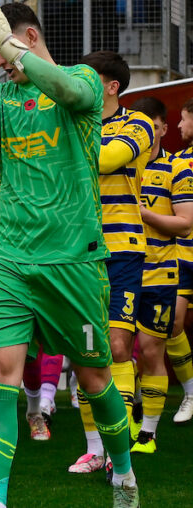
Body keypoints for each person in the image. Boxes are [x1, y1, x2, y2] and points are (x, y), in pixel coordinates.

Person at [0, 2, 139, 506]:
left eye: (5, 48)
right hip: (10, 259)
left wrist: (9, 46)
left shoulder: (84, 79)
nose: (2, 62)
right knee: (0, 372)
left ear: (28, 36)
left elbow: (68, 91)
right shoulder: (2, 93)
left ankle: (123, 472)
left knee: (96, 375)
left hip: (73, 260)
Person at [68, 50, 153, 475]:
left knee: (117, 346)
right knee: (87, 350)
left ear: (111, 86)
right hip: (76, 251)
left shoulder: (137, 124)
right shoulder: (69, 120)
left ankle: (120, 449)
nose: (77, 84)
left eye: (87, 77)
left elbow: (101, 160)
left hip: (122, 248)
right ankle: (94, 448)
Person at [130, 96, 193, 452]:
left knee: (152, 349)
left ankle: (148, 434)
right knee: (118, 351)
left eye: (151, 128)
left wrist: (143, 213)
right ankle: (130, 415)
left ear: (163, 129)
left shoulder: (176, 169)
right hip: (121, 271)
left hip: (160, 273)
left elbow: (184, 225)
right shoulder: (120, 168)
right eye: (138, 128)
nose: (144, 135)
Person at [167, 98, 193, 424]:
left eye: (184, 119)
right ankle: (190, 392)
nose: (178, 125)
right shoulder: (177, 161)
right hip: (183, 256)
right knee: (172, 323)